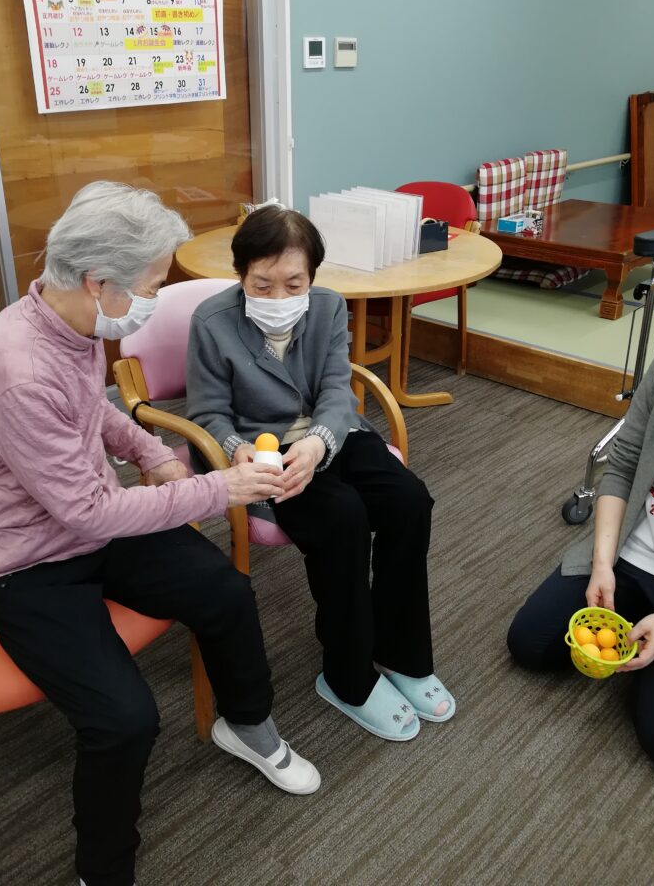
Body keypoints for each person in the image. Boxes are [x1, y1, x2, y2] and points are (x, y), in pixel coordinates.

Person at [0, 183, 320, 886]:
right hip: (19, 561)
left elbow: (94, 412)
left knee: (225, 592)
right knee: (123, 719)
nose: (156, 296)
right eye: (150, 285)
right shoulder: (20, 372)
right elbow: (89, 512)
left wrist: (152, 452)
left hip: (86, 522)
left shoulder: (72, 324)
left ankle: (246, 724)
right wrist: (219, 489)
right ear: (99, 282)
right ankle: (104, 870)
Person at [186, 204, 455, 743]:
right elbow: (208, 412)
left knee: (409, 500)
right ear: (240, 274)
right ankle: (346, 675)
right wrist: (238, 449)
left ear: (312, 277)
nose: (278, 298)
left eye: (294, 284)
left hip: (330, 434)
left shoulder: (329, 306)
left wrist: (319, 441)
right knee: (342, 518)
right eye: (262, 285)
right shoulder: (211, 321)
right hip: (262, 451)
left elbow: (336, 387)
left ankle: (399, 652)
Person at [508, 353, 654, 764]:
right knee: (529, 643)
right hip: (630, 554)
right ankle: (637, 629)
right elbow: (623, 465)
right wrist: (602, 563)